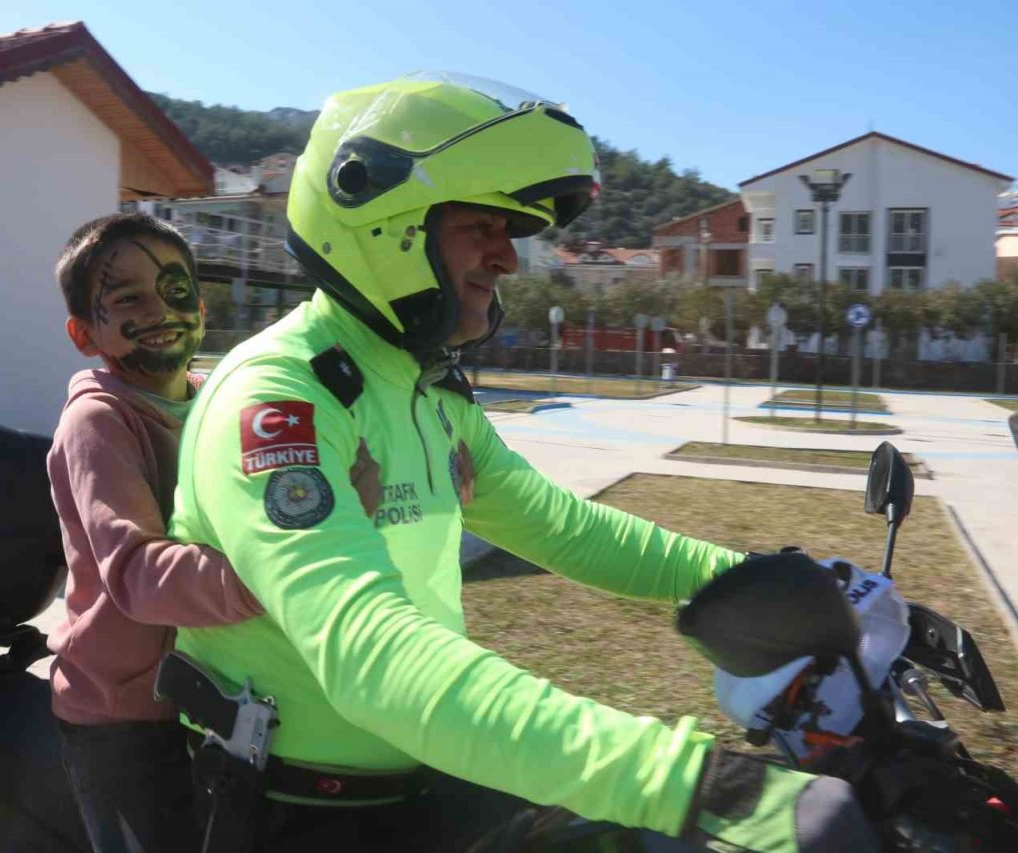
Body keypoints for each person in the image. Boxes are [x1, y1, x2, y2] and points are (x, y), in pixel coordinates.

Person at [167, 74, 876, 851]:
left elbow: (565, 528)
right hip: (299, 810)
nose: (508, 258)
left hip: (426, 772)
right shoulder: (281, 397)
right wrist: (693, 782)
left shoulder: (425, 388)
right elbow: (370, 655)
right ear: (380, 218)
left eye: (514, 232)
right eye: (483, 227)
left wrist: (773, 581)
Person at [47, 213, 382, 853]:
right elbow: (139, 575)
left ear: (201, 305)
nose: (160, 309)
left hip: (211, 698)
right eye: (127, 299)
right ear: (85, 333)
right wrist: (285, 571)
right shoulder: (97, 422)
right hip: (121, 713)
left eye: (175, 290)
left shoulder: (217, 401)